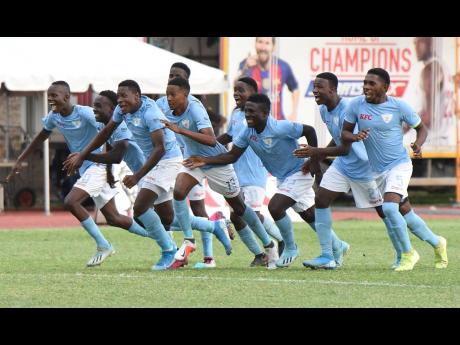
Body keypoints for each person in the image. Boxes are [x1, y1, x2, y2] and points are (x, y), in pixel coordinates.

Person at [63, 80, 231, 270]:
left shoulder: (151, 113)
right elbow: (106, 133)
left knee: (140, 209)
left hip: (168, 161)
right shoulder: (121, 110)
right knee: (167, 218)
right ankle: (214, 226)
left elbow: (160, 148)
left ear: (137, 96)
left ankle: (168, 251)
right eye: (118, 97)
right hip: (153, 165)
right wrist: (83, 155)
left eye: (123, 96)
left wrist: (137, 176)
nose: (120, 100)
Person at [296, 72, 447, 270]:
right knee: (321, 199)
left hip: (368, 168)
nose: (315, 90)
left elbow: (345, 147)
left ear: (332, 89)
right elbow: (341, 138)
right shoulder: (332, 108)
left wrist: (316, 153)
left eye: (319, 87)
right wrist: (319, 157)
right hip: (345, 165)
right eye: (364, 83)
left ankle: (412, 251)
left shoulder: (372, 107)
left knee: (392, 211)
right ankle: (328, 254)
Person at [184, 93, 348, 269]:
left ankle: (291, 248)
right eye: (246, 111)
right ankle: (338, 245)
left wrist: (313, 159)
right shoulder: (248, 132)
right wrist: (205, 160)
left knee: (275, 207)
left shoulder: (279, 127)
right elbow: (232, 155)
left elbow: (309, 130)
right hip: (283, 177)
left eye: (252, 111)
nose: (247, 115)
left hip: (299, 172)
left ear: (265, 113)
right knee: (308, 214)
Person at [6, 81, 146, 267]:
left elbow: (107, 134)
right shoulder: (53, 117)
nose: (50, 99)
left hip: (97, 165)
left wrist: (108, 170)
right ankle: (160, 237)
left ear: (66, 97)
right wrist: (21, 159)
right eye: (49, 95)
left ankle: (103, 245)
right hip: (86, 169)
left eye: (54, 95)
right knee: (113, 218)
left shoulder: (85, 113)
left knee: (71, 201)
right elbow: (41, 135)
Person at [162, 78, 279, 269]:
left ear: (186, 94)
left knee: (240, 210)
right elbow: (225, 136)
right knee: (179, 192)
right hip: (195, 159)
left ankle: (269, 244)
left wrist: (180, 131)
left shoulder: (196, 109)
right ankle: (189, 240)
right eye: (167, 94)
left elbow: (209, 139)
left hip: (218, 163)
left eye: (173, 94)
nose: (169, 98)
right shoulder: (168, 111)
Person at [341, 68, 448, 271]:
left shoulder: (398, 106)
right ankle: (437, 242)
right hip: (377, 171)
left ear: (385, 87)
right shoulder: (356, 105)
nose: (366, 86)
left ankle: (408, 254)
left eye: (372, 83)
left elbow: (421, 128)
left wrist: (418, 144)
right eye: (365, 82)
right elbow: (344, 133)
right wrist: (354, 137)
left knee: (389, 208)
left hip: (399, 165)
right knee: (405, 212)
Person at [156, 62, 231, 269]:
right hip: (174, 160)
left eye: (177, 75)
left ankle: (208, 256)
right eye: (170, 74)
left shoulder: (196, 104)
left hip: (199, 159)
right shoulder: (162, 103)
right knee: (167, 207)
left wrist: (180, 131)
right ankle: (177, 250)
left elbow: (210, 136)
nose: (172, 78)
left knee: (199, 207)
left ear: (186, 82)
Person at [217, 77, 285, 266]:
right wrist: (211, 145)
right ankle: (258, 254)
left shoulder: (262, 117)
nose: (236, 93)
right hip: (235, 171)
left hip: (255, 171)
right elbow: (230, 135)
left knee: (251, 214)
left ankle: (281, 239)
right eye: (235, 90)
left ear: (253, 93)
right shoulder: (236, 114)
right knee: (235, 216)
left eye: (241, 90)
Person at [238, 37, 299, 121]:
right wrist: (245, 68)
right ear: (255, 44)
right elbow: (236, 86)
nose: (263, 47)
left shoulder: (283, 67)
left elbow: (295, 89)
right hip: (254, 125)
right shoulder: (246, 65)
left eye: (267, 43)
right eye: (260, 42)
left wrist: (294, 113)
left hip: (277, 124)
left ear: (273, 47)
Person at [412, 37, 455, 146]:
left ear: (429, 43)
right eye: (414, 43)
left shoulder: (430, 70)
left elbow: (428, 117)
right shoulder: (443, 67)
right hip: (445, 141)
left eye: (418, 42)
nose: (415, 47)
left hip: (432, 143)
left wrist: (399, 127)